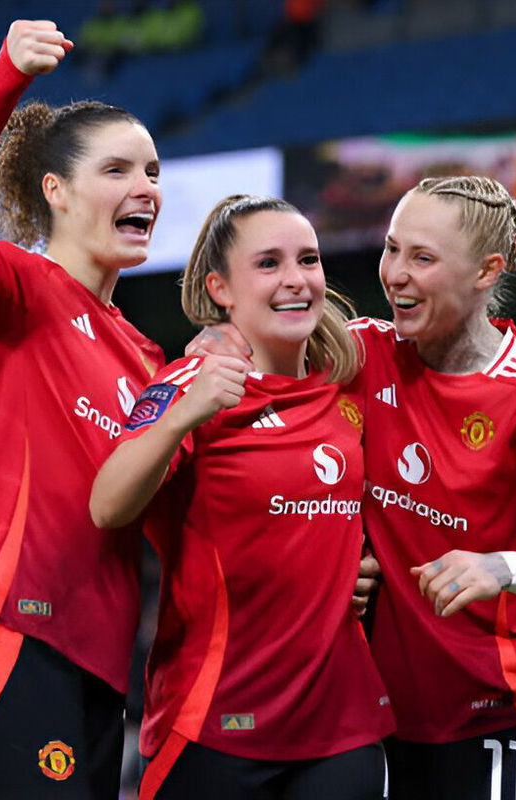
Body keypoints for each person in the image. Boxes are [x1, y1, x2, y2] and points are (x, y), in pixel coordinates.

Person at [0, 19, 168, 799]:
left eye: (152, 170)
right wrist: (4, 79)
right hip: (10, 626)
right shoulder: (16, 288)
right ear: (55, 191)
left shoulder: (150, 360)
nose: (145, 187)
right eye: (117, 169)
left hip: (102, 658)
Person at [89, 195, 394, 799]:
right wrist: (185, 415)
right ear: (220, 288)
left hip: (342, 727)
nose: (295, 280)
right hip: (214, 724)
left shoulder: (352, 374)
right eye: (268, 264)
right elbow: (107, 505)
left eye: (307, 260)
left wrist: (364, 564)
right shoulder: (193, 383)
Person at [350, 175, 516, 799]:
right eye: (392, 249)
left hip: (493, 722)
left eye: (422, 257)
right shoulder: (360, 352)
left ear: (485, 271)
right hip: (371, 720)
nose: (395, 274)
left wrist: (504, 567)